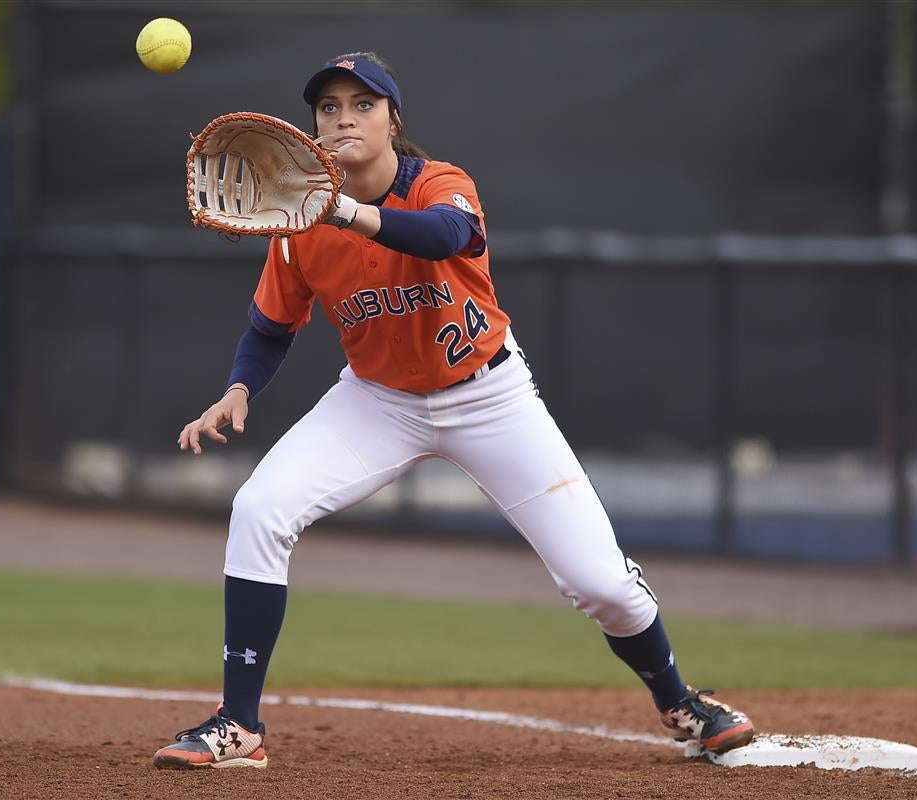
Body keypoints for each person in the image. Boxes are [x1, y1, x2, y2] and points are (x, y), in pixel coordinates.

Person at [152, 51, 754, 770]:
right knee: (259, 509)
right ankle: (238, 724)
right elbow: (269, 329)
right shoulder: (300, 225)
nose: (344, 118)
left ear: (392, 119)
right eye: (329, 108)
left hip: (487, 394)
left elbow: (444, 235)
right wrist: (239, 389)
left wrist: (340, 208)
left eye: (362, 104)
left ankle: (679, 699)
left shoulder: (438, 183)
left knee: (599, 584)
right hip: (377, 400)